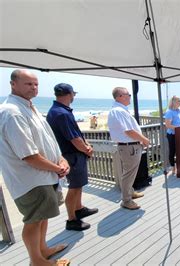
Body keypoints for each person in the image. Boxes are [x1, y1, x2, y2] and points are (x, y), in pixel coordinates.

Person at [0, 69, 70, 265]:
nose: (34, 87)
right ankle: (37, 260)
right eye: (28, 84)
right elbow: (28, 155)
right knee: (33, 220)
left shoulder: (30, 107)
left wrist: (61, 159)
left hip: (45, 176)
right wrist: (57, 168)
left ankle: (43, 250)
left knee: (43, 216)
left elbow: (47, 141)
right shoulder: (12, 112)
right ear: (13, 84)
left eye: (36, 84)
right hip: (31, 180)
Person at [46, 83, 98, 231]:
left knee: (78, 184)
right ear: (69, 94)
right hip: (71, 156)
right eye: (73, 94)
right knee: (74, 187)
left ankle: (79, 208)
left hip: (72, 154)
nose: (74, 96)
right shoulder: (62, 113)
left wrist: (86, 145)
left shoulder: (58, 111)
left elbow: (76, 134)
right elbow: (74, 139)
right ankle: (72, 219)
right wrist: (87, 150)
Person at [107, 87, 150, 210]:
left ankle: (130, 192)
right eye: (128, 94)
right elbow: (129, 131)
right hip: (129, 147)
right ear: (120, 96)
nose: (130, 96)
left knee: (130, 172)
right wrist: (144, 139)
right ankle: (126, 200)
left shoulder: (119, 110)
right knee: (128, 174)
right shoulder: (118, 111)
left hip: (130, 147)